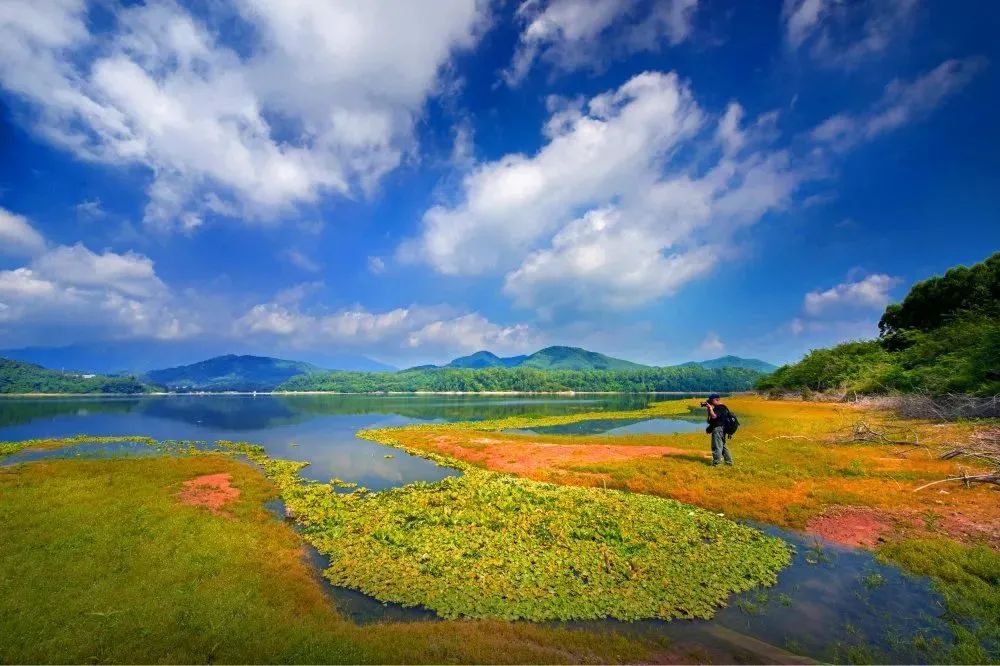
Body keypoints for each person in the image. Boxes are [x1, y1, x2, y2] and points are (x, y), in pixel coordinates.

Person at [704, 393, 734, 466]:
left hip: (718, 429)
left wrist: (710, 408)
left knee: (716, 446)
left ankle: (716, 464)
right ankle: (729, 462)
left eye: (711, 401)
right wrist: (709, 409)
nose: (710, 402)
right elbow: (712, 420)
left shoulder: (720, 407)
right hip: (722, 429)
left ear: (716, 400)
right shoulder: (723, 407)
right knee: (723, 446)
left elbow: (714, 416)